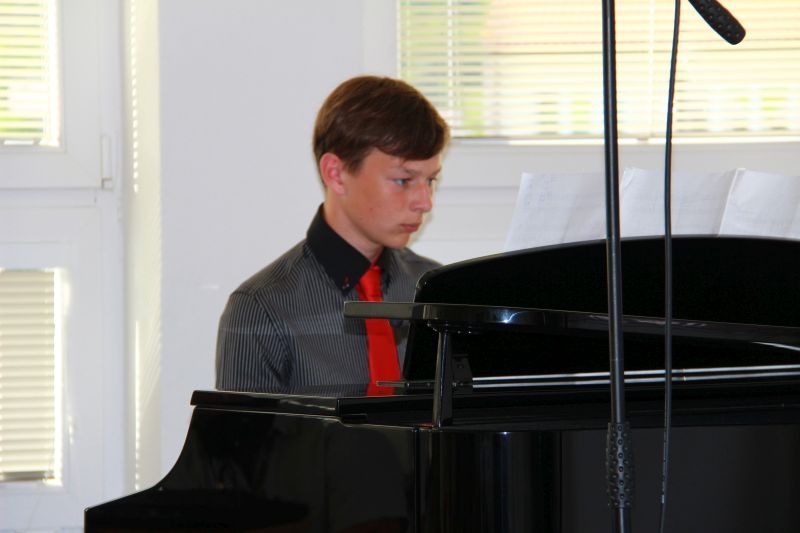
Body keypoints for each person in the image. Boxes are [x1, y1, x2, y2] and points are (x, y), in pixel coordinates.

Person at [215, 75, 450, 393]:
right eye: (403, 180)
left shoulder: (435, 295)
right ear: (336, 174)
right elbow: (243, 429)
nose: (425, 202)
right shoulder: (262, 308)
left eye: (430, 180)